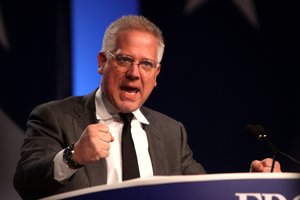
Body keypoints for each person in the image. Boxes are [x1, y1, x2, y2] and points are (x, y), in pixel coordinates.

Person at [13, 15, 281, 200]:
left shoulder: (171, 132)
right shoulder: (55, 117)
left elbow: (201, 192)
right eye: (125, 59)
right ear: (101, 62)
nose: (134, 73)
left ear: (156, 74)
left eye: (146, 64)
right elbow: (26, 185)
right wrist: (73, 156)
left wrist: (251, 185)